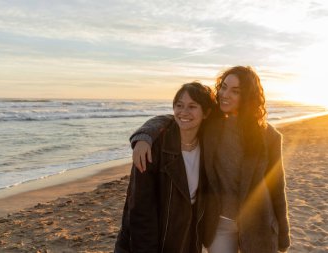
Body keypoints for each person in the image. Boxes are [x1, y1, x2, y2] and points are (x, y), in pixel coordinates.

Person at [130, 66, 291, 253]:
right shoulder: (211, 125)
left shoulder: (269, 136)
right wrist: (144, 136)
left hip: (258, 224)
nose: (225, 94)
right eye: (223, 87)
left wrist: (283, 235)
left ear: (247, 97)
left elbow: (277, 186)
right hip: (219, 224)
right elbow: (178, 117)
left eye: (235, 91)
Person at [114, 82, 216, 253]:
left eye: (192, 106)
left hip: (188, 237)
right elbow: (140, 209)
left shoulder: (208, 146)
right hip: (153, 239)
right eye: (179, 105)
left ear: (206, 113)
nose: (184, 112)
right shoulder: (151, 148)